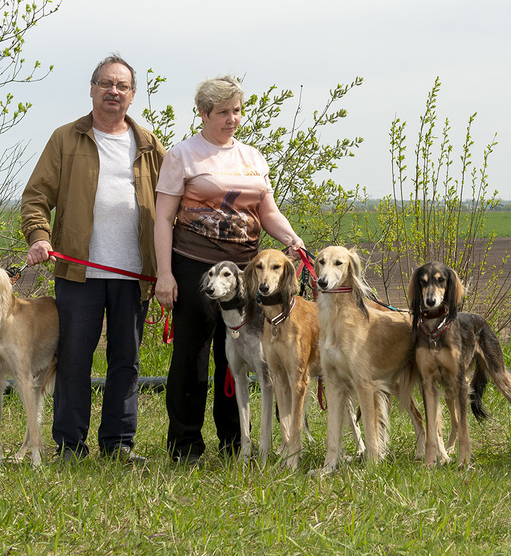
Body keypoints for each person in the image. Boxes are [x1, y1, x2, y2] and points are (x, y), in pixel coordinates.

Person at [154, 74, 306, 464]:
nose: (232, 119)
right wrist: (165, 274)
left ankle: (236, 444)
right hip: (196, 269)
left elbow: (266, 211)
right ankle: (185, 446)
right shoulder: (183, 155)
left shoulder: (253, 158)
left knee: (244, 357)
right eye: (223, 112)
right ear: (203, 113)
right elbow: (162, 219)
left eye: (237, 111)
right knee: (193, 355)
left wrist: (292, 239)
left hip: (249, 272)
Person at [21, 54, 166, 463]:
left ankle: (119, 444)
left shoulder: (151, 146)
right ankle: (70, 445)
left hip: (134, 274)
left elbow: (172, 205)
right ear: (91, 89)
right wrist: (39, 236)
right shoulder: (65, 139)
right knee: (72, 360)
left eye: (121, 86)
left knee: (127, 361)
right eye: (106, 84)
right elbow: (36, 198)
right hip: (78, 272)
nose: (113, 92)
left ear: (133, 95)